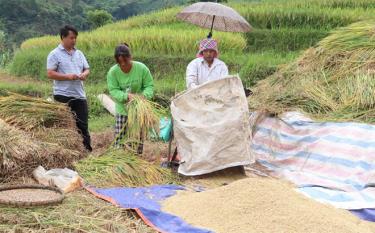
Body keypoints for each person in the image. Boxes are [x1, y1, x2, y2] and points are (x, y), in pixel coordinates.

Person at [47, 25, 92, 152]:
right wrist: (68, 77)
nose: (74, 40)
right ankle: (66, 152)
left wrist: (84, 74)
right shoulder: (54, 54)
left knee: (83, 125)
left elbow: (87, 69)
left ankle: (86, 151)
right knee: (64, 125)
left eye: (75, 38)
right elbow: (50, 73)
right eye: (71, 38)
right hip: (62, 95)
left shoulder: (79, 53)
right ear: (63, 38)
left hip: (79, 94)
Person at [107, 43, 154, 154]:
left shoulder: (141, 68)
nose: (123, 65)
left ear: (130, 57)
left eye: (125, 61)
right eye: (120, 63)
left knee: (137, 139)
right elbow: (113, 90)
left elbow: (149, 86)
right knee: (119, 140)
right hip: (123, 110)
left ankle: (135, 162)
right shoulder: (113, 72)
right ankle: (119, 161)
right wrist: (126, 96)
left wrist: (143, 96)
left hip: (139, 110)